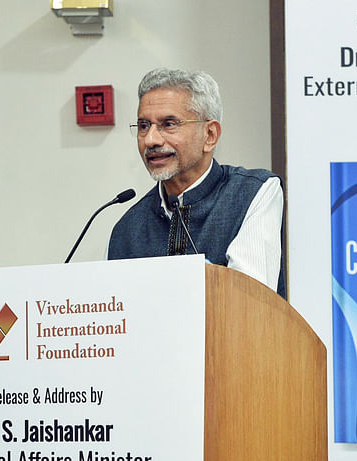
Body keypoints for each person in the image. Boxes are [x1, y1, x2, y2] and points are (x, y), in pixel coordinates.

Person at [107, 67, 286, 298]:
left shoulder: (254, 192)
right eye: (143, 126)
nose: (150, 140)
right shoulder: (128, 227)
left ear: (209, 135)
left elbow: (249, 303)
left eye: (169, 124)